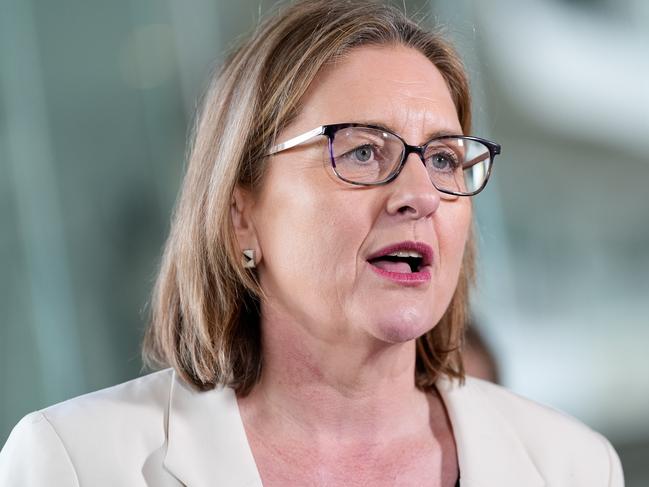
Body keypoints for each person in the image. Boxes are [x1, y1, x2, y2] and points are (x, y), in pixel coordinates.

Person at [0, 1, 624, 485]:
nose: (421, 194)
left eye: (443, 158)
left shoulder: (570, 466)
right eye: (361, 150)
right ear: (240, 214)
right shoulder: (75, 462)